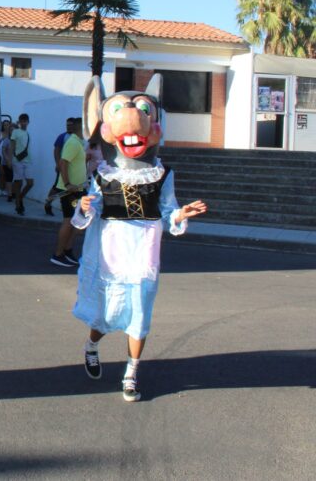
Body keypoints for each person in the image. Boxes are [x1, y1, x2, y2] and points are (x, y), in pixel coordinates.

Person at [72, 75, 206, 402]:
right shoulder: (103, 175)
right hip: (110, 251)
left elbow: (167, 209)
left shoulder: (163, 173)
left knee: (140, 317)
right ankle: (92, 345)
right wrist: (84, 205)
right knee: (105, 316)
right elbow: (87, 213)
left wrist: (180, 215)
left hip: (144, 252)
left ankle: (131, 373)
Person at [49, 118, 86, 267]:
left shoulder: (78, 142)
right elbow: (63, 162)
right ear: (81, 128)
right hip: (69, 190)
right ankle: (58, 254)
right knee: (69, 220)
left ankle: (67, 250)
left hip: (78, 189)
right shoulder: (73, 142)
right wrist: (67, 184)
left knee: (77, 222)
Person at [44, 118, 75, 216]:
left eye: (70, 125)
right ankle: (48, 203)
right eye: (67, 125)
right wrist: (58, 164)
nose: (68, 126)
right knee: (57, 188)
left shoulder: (77, 137)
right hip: (63, 167)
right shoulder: (62, 137)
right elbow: (56, 151)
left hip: (74, 169)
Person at [9, 113, 33, 215]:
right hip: (17, 160)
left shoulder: (28, 133)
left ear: (28, 122)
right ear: (19, 122)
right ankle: (18, 205)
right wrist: (10, 160)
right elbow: (12, 146)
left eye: (25, 121)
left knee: (30, 183)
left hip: (28, 160)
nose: (24, 123)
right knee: (18, 183)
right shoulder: (15, 132)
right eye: (22, 121)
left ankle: (19, 199)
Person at [0, 119, 13, 198]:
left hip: (8, 156)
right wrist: (1, 140)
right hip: (0, 155)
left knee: (7, 174)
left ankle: (6, 189)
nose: (6, 126)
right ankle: (0, 189)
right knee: (1, 173)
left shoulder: (12, 134)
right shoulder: (0, 133)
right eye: (4, 124)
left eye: (7, 124)